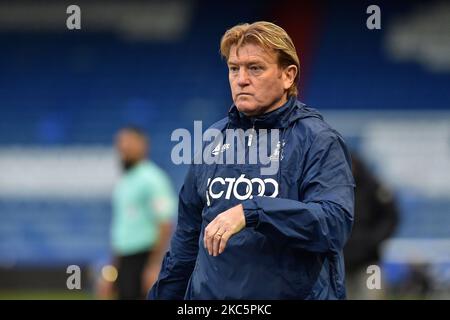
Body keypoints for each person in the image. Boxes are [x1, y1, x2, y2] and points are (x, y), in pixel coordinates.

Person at [148, 21, 355, 300]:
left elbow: (333, 224)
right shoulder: (213, 140)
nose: (241, 79)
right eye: (234, 68)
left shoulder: (318, 140)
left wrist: (253, 212)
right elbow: (186, 243)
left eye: (255, 68)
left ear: (288, 76)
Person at [106, 126, 177, 299]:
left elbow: (165, 223)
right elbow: (122, 230)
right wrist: (113, 269)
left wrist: (154, 265)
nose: (122, 147)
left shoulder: (153, 179)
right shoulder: (124, 181)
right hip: (125, 260)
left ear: (142, 145)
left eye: (128, 142)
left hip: (143, 258)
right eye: (120, 143)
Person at [344, 153, 399, 299]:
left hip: (369, 262)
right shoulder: (334, 189)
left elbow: (390, 218)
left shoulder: (375, 188)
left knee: (372, 296)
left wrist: (372, 241)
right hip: (341, 262)